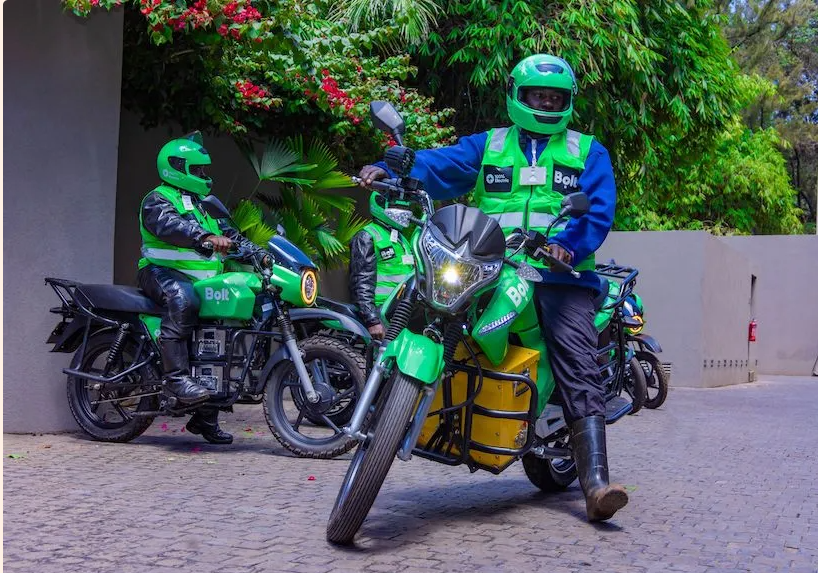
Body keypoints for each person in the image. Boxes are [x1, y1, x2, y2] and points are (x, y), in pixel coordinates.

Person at [358, 54, 626, 521]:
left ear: (567, 102)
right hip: (491, 265)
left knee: (576, 357)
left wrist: (565, 246)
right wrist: (398, 166)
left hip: (559, 276)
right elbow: (443, 166)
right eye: (538, 96)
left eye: (555, 98)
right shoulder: (491, 145)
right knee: (423, 305)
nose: (545, 103)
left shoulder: (587, 151)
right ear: (518, 96)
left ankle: (596, 485)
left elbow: (599, 211)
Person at [138, 131, 265, 445]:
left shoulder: (204, 206)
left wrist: (258, 253)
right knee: (183, 301)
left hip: (201, 282)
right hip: (160, 274)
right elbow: (171, 226)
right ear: (177, 167)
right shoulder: (157, 199)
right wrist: (203, 238)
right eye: (198, 171)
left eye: (204, 171)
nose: (204, 177)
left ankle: (205, 416)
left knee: (217, 334)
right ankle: (176, 380)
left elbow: (230, 235)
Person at [348, 193, 415, 340]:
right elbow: (361, 280)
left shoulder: (401, 239)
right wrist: (372, 319)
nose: (402, 212)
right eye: (396, 207)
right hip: (381, 311)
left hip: (399, 311)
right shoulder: (367, 235)